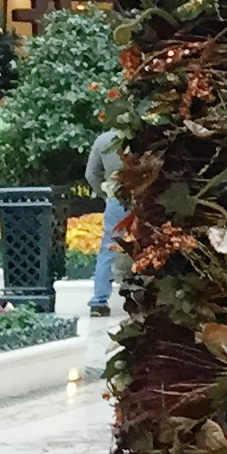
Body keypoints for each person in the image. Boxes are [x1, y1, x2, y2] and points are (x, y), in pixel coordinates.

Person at [85, 124, 125, 317]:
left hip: (116, 198)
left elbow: (91, 174)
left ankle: (99, 301)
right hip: (146, 199)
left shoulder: (103, 140)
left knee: (109, 248)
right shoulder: (146, 136)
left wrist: (105, 194)